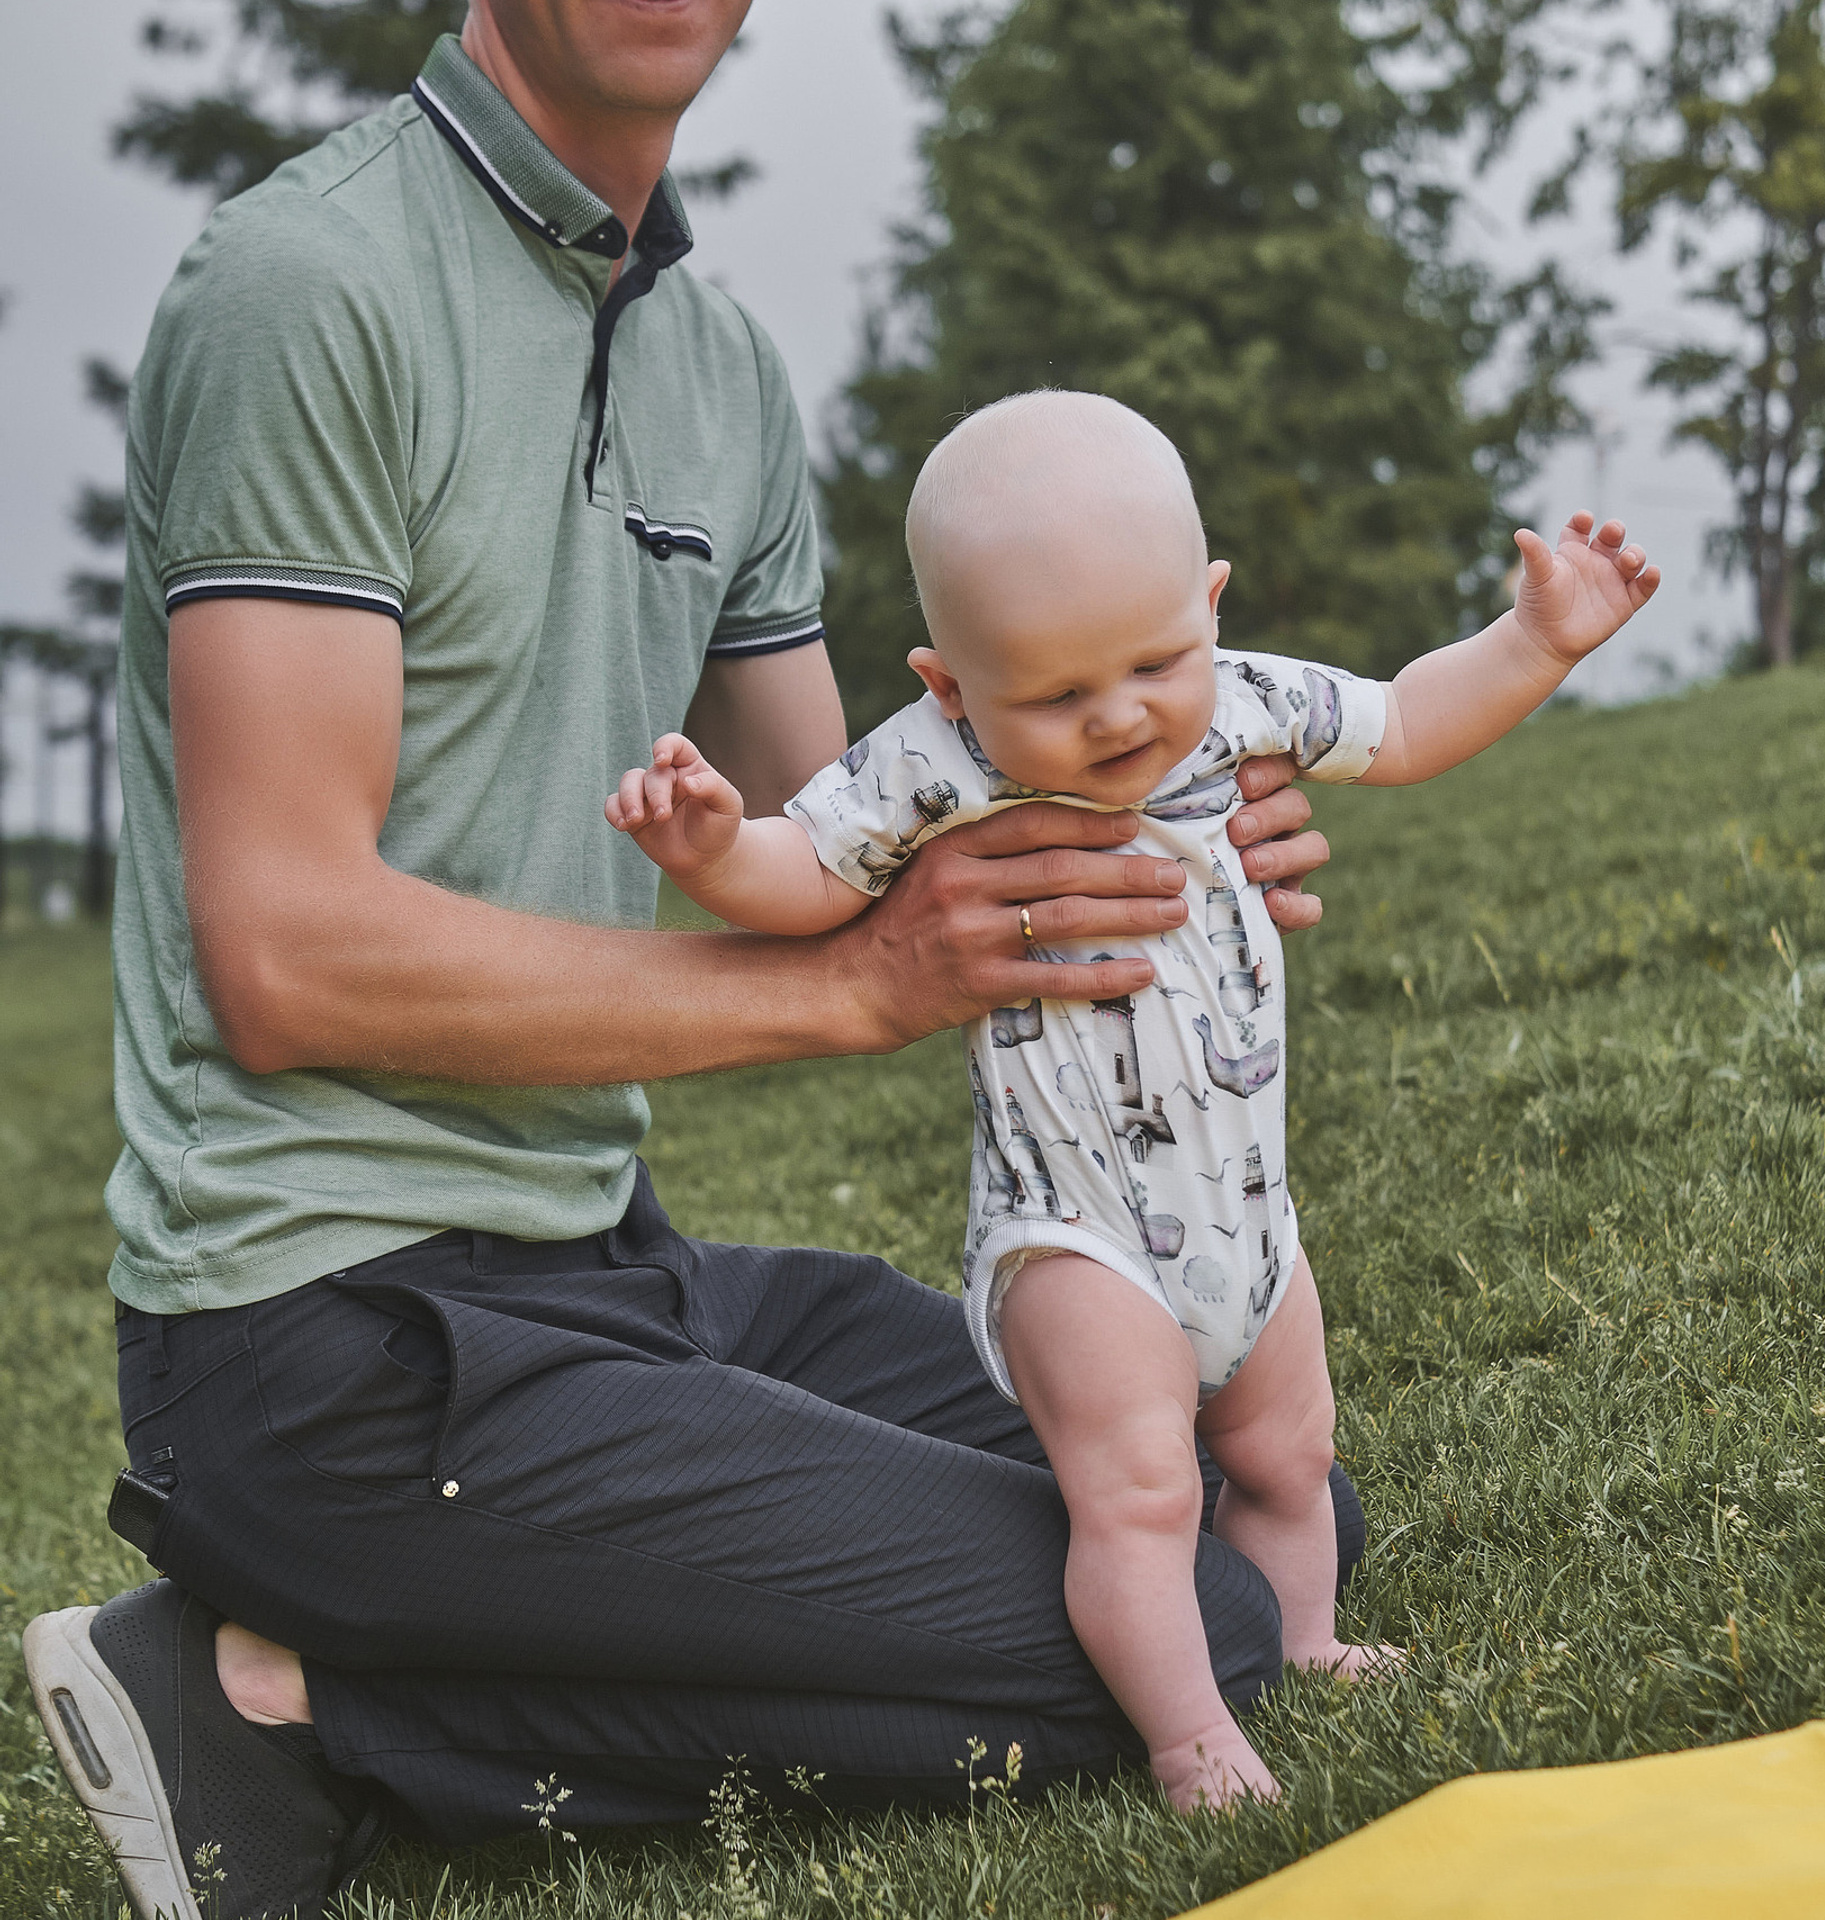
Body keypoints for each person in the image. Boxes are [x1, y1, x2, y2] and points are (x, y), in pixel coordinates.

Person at [19, 7, 1357, 1919]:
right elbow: (284, 953)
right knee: (1182, 1636)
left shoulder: (719, 373)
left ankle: (345, 1674)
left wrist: (1161, 825)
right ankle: (268, 1694)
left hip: (620, 1277)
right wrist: (855, 990)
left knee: (1243, 1506)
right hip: (327, 1342)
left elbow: (852, 836)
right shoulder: (305, 286)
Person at [609, 391, 1660, 1809]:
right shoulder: (936, 766)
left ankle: (1300, 1643)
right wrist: (715, 847)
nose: (1117, 716)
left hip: (1246, 1217)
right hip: (1078, 1237)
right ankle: (1191, 1740)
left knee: (1292, 1460)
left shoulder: (1240, 702)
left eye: (1155, 660)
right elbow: (807, 873)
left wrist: (1536, 641)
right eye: (1051, 694)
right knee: (1142, 1497)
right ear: (951, 683)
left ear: (1208, 605)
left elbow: (1408, 721)